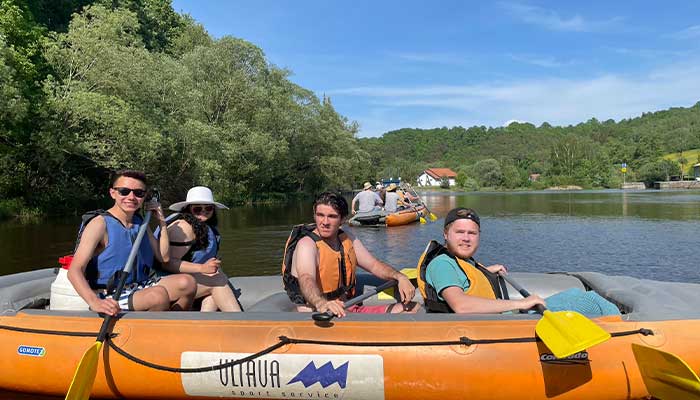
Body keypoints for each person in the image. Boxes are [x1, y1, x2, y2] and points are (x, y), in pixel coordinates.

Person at [417, 207, 620, 316]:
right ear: (445, 234)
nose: (466, 238)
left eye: (472, 233)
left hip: (499, 315)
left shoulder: (460, 260)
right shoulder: (443, 264)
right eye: (459, 232)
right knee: (590, 300)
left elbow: (465, 280)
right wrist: (521, 303)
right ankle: (628, 332)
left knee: (575, 294)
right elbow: (461, 305)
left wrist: (485, 270)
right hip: (496, 324)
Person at [67, 170, 197, 316]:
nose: (131, 197)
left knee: (188, 283)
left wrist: (161, 222)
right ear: (113, 193)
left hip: (140, 285)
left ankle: (173, 326)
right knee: (157, 296)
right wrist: (94, 302)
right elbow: (74, 271)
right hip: (110, 294)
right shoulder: (99, 224)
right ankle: (154, 333)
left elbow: (164, 258)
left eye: (138, 193)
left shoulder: (140, 222)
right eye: (124, 191)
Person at [282, 192, 420, 317]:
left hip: (347, 307)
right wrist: (321, 303)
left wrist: (400, 277)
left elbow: (374, 265)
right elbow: (306, 278)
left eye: (332, 216)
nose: (324, 222)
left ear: (342, 220)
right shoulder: (307, 245)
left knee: (412, 308)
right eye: (320, 215)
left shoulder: (347, 238)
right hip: (319, 313)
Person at [159, 186, 242, 312]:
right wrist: (202, 268)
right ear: (188, 209)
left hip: (184, 280)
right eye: (197, 209)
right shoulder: (182, 228)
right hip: (163, 284)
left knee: (213, 289)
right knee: (217, 281)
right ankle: (240, 323)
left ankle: (203, 325)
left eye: (208, 208)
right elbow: (167, 264)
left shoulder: (202, 227)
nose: (204, 211)